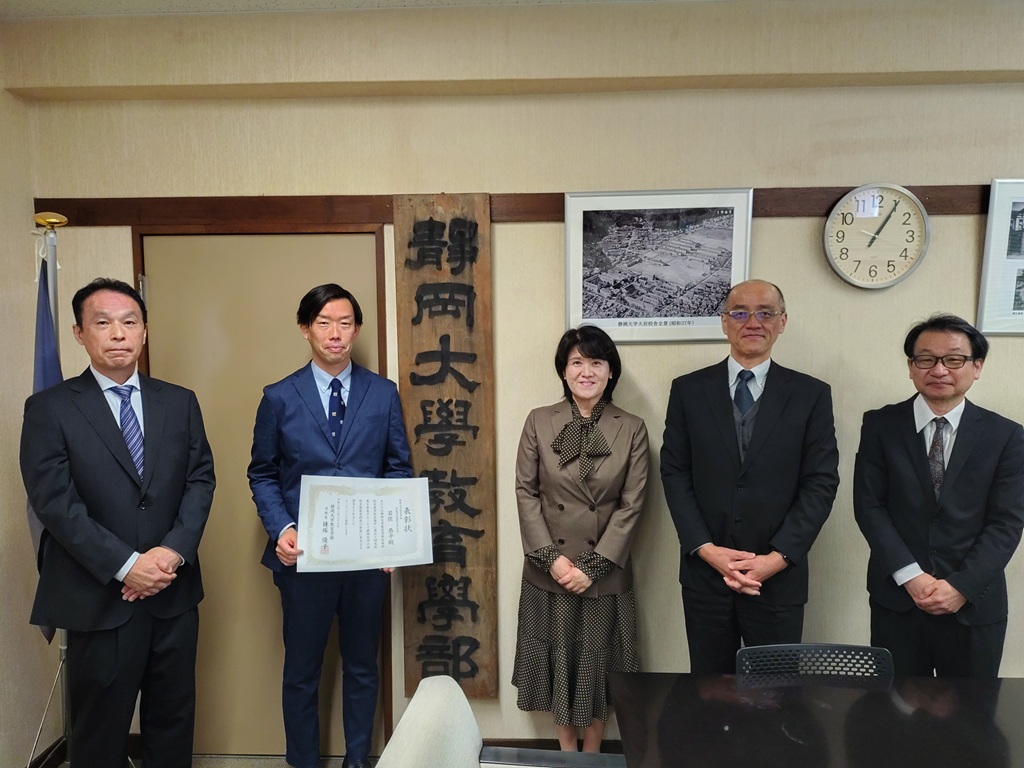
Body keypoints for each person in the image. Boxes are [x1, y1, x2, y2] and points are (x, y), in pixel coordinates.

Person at [20, 277, 216, 768]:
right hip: (98, 597)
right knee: (99, 733)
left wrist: (171, 553)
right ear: (79, 333)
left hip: (172, 593)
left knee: (173, 723)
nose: (118, 334)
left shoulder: (180, 401)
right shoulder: (49, 408)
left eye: (129, 322)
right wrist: (127, 565)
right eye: (102, 323)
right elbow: (54, 502)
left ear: (144, 331)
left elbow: (200, 480)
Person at [248, 283, 412, 768]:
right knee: (302, 672)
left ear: (356, 329)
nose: (335, 333)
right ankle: (302, 762)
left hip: (366, 559)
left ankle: (357, 760)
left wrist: (391, 542)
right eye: (324, 323)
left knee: (362, 667)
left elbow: (398, 470)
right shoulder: (278, 397)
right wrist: (281, 529)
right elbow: (262, 473)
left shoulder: (383, 393)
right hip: (302, 557)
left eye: (344, 323)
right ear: (305, 329)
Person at [660, 279, 839, 674]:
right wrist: (706, 549)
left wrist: (777, 558)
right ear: (725, 322)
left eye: (765, 313)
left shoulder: (810, 395)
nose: (753, 322)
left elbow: (821, 482)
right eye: (740, 313)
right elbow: (675, 473)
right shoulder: (688, 390)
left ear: (782, 321)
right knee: (709, 690)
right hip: (706, 574)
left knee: (775, 692)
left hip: (777, 577)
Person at [853, 313, 1024, 677]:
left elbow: (1007, 522)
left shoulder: (1007, 435)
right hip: (898, 600)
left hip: (974, 604)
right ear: (911, 367)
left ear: (977, 367)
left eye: (954, 359)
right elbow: (869, 507)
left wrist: (961, 586)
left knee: (972, 710)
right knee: (894, 706)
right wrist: (911, 577)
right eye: (926, 359)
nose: (940, 370)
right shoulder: (880, 425)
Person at [512, 325, 649, 752]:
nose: (586, 371)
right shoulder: (539, 420)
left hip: (604, 571)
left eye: (596, 362)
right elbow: (525, 492)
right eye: (576, 362)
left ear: (611, 372)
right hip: (548, 569)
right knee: (559, 663)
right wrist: (552, 560)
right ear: (563, 371)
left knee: (598, 664)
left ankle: (591, 755)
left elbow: (632, 504)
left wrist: (591, 567)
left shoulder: (632, 427)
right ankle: (567, 755)